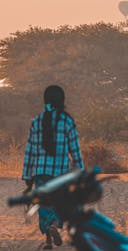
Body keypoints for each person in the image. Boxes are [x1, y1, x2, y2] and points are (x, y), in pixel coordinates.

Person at [22, 85, 84, 249]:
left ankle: (48, 238)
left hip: (41, 173)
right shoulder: (67, 121)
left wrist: (27, 175)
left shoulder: (36, 121)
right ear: (62, 100)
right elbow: (75, 149)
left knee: (45, 206)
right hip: (61, 173)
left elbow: (30, 150)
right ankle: (55, 224)